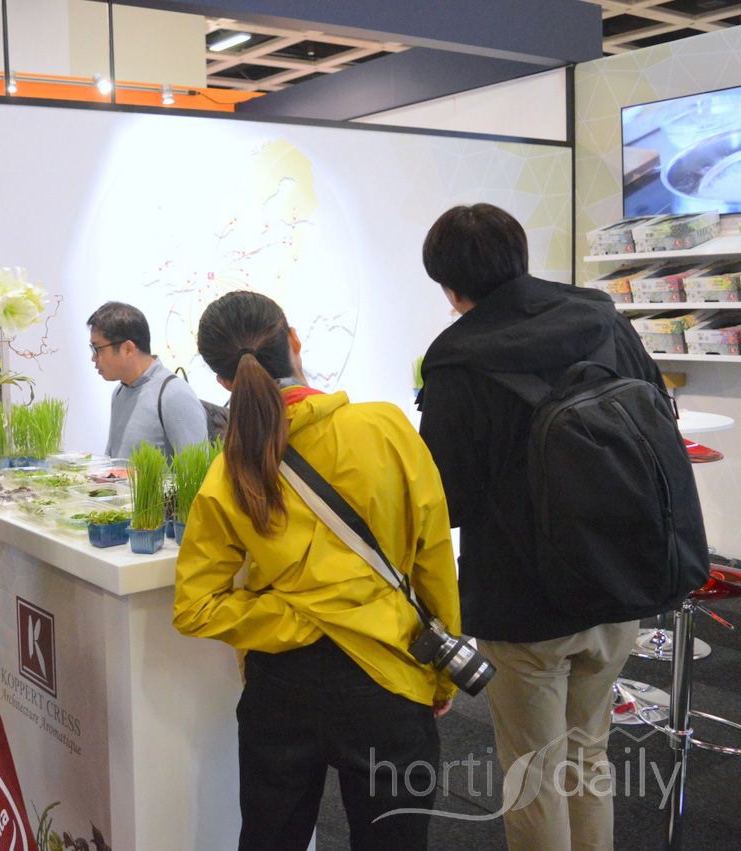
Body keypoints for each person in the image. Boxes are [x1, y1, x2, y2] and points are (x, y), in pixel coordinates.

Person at [173, 290, 460, 851]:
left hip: (280, 686)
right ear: (293, 340)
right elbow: (433, 561)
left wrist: (297, 618)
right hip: (391, 671)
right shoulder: (387, 428)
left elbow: (195, 606)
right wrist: (443, 674)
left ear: (224, 380)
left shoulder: (231, 470)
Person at [417, 203, 661, 851]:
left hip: (524, 600)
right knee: (589, 754)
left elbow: (446, 499)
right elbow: (658, 416)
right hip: (620, 578)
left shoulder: (455, 362)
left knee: (534, 774)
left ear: (449, 286)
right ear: (520, 256)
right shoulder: (602, 318)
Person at [87, 300, 208, 458]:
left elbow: (197, 470)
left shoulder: (174, 394)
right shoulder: (119, 392)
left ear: (128, 349)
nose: (93, 358)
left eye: (97, 349)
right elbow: (112, 461)